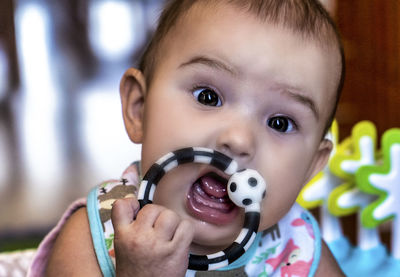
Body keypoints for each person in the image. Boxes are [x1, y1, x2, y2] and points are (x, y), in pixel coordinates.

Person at [29, 0, 346, 276]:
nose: (238, 140)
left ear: (310, 167)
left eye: (279, 122)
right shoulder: (96, 236)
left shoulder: (296, 249)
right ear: (140, 108)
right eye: (208, 97)